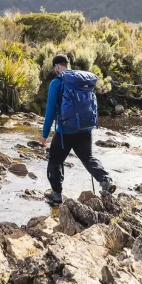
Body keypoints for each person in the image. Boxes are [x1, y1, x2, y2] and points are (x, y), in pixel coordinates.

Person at [41, 54, 114, 204]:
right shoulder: (81, 80)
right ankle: (106, 179)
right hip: (85, 129)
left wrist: (45, 134)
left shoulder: (57, 82)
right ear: (68, 64)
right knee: (88, 158)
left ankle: (56, 194)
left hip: (65, 132)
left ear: (56, 66)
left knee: (55, 160)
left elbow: (50, 110)